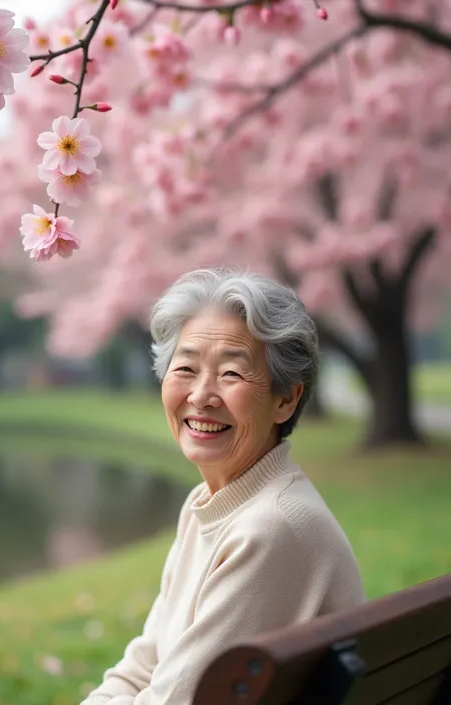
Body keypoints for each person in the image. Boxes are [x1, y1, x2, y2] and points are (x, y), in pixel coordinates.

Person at [81, 268, 364, 705]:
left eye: (231, 374)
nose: (201, 395)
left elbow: (174, 701)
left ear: (285, 399)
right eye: (186, 368)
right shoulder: (210, 505)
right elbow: (142, 666)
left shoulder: (271, 528)